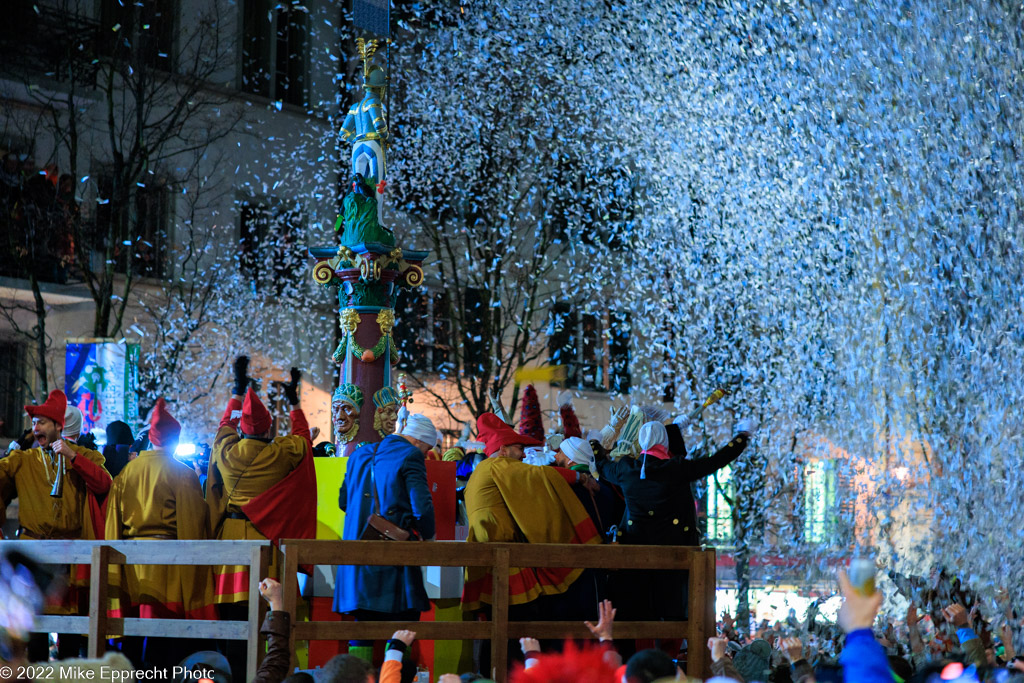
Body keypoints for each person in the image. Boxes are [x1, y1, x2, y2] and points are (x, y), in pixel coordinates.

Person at [597, 419, 753, 622]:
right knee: (672, 613)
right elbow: (716, 461)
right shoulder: (676, 468)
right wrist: (741, 438)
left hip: (635, 558)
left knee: (641, 612)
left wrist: (595, 445)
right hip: (675, 555)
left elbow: (602, 465)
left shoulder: (626, 469)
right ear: (665, 442)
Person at [105, 398, 217, 669]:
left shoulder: (125, 473)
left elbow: (112, 523)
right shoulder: (183, 474)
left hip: (130, 568)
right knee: (163, 645)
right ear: (175, 440)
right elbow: (192, 529)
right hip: (167, 569)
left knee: (130, 641)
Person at [0, 389, 112, 661]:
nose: (34, 428)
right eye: (34, 423)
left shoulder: (84, 456)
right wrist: (13, 447)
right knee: (35, 632)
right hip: (32, 552)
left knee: (71, 633)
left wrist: (74, 458)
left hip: (69, 555)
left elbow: (104, 483)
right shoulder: (22, 460)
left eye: (41, 423)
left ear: (59, 426)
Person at [461, 413, 602, 619]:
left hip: (490, 560)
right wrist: (579, 477)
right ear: (503, 450)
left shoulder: (482, 471)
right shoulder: (497, 465)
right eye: (519, 449)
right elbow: (538, 475)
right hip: (503, 561)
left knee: (495, 632)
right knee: (517, 629)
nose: (524, 455)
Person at [207, 357, 315, 606]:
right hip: (267, 537)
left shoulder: (227, 452)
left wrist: (237, 390)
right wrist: (293, 402)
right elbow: (303, 437)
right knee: (270, 606)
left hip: (232, 539)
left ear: (242, 431)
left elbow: (225, 425)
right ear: (269, 429)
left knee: (232, 612)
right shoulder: (282, 451)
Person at [333, 412, 438, 663]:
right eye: (426, 450)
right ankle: (397, 676)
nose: (425, 455)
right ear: (417, 441)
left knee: (362, 627)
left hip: (357, 561)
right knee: (404, 625)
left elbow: (343, 501)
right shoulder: (410, 455)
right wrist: (428, 537)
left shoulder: (358, 455)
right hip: (393, 562)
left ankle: (358, 680)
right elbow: (421, 507)